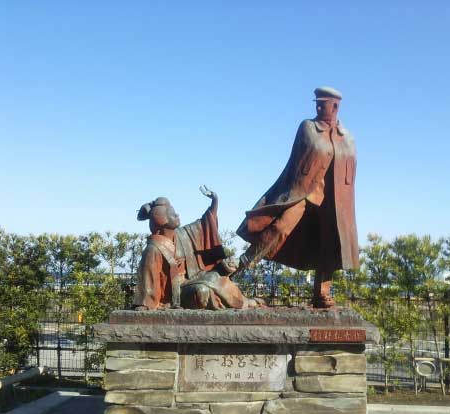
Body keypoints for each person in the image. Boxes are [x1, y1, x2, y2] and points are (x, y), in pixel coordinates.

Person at [235, 87, 359, 308]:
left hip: (332, 202)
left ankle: (322, 293)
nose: (319, 107)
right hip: (304, 192)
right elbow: (294, 164)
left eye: (324, 104)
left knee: (329, 243)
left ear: (336, 106)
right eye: (317, 104)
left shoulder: (347, 138)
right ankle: (239, 266)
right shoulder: (308, 128)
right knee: (280, 227)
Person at [133, 186, 254, 310]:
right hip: (174, 293)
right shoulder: (153, 249)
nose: (177, 215)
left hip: (188, 282)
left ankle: (244, 303)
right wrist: (145, 303)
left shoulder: (181, 235)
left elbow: (204, 224)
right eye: (173, 215)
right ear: (162, 221)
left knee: (215, 277)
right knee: (202, 291)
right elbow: (148, 282)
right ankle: (231, 304)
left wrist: (214, 202)